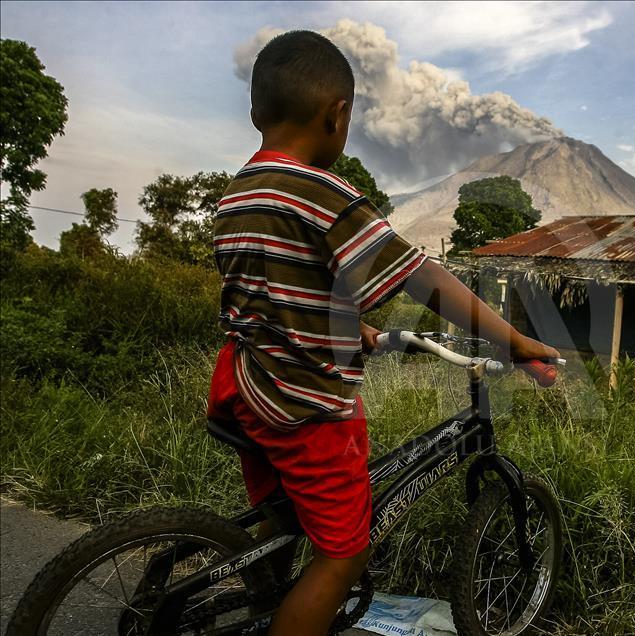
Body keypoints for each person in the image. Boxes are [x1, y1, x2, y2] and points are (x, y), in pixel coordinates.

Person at [206, 30, 559, 635]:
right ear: (338, 114)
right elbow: (421, 277)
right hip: (303, 403)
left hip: (246, 386)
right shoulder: (322, 192)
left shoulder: (238, 194)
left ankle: (265, 599)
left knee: (282, 517)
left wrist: (353, 328)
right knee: (344, 555)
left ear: (257, 111)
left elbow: (274, 296)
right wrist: (515, 340)